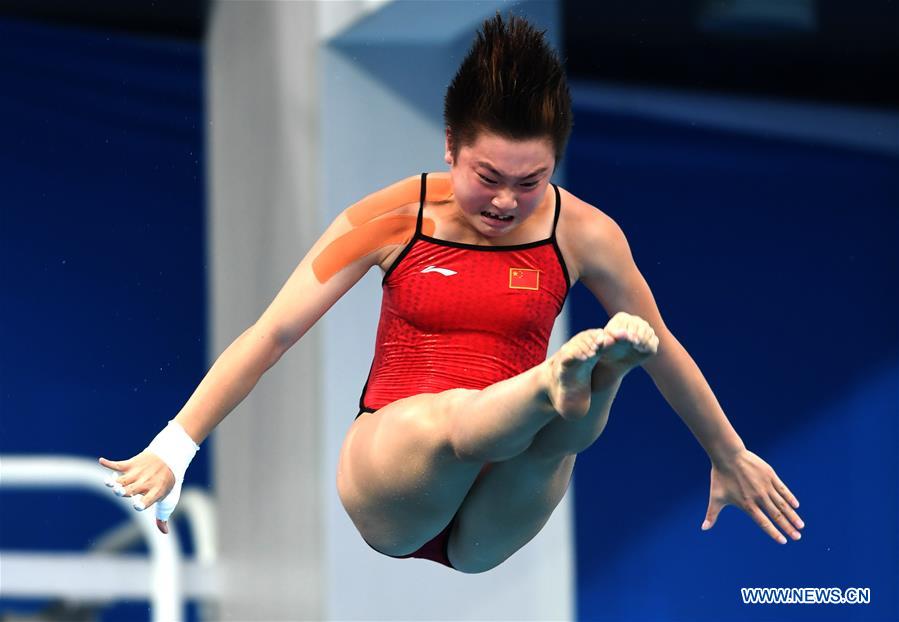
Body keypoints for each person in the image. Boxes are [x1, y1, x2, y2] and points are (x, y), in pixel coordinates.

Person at [99, 13, 803, 574]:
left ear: (555, 163)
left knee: (559, 441)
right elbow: (272, 334)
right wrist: (176, 445)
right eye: (487, 176)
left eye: (531, 183)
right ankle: (563, 379)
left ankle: (589, 379)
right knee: (453, 421)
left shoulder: (584, 233)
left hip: (501, 498)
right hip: (395, 473)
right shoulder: (389, 217)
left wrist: (727, 452)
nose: (505, 201)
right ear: (449, 146)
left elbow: (665, 347)